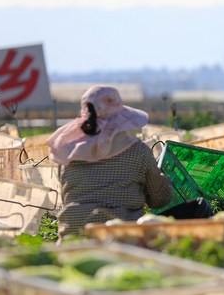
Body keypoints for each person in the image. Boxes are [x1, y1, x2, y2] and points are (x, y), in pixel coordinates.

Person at [47, 85, 176, 238]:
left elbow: (67, 195)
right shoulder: (136, 150)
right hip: (122, 236)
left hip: (72, 233)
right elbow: (159, 199)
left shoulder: (68, 152)